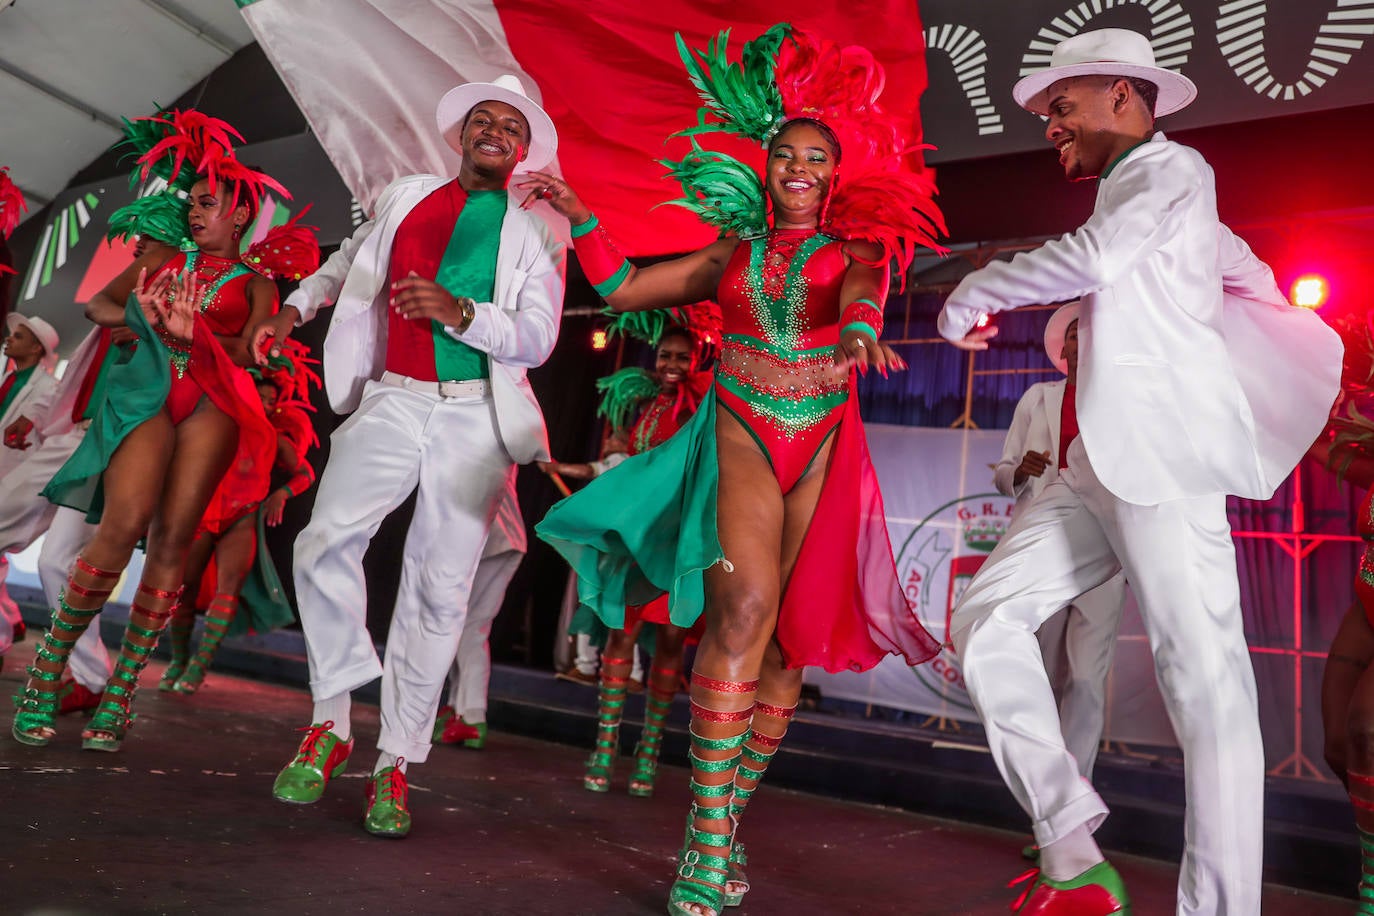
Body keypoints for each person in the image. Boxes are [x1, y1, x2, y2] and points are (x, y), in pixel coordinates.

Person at [535, 24, 943, 915]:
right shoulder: (731, 256)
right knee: (744, 610)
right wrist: (583, 218)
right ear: (766, 168)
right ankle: (705, 846)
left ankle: (727, 822)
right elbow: (626, 291)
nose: (798, 167)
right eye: (785, 155)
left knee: (789, 651)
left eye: (814, 158)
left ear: (834, 174)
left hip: (826, 438)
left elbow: (861, 296)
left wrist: (865, 329)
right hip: (744, 426)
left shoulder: (854, 250)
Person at [936, 28, 1342, 914]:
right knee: (986, 620)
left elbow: (1103, 259)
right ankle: (1073, 848)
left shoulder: (1172, 171)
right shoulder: (1153, 199)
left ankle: (1222, 906)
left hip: (1160, 461)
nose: (1048, 124)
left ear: (1123, 94)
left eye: (1061, 105)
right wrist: (1209, 302)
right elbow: (1246, 272)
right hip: (1090, 468)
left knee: (1207, 686)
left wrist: (979, 287)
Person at [250, 74, 567, 839]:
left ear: (522, 150)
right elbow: (348, 261)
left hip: (475, 422)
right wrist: (296, 307)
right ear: (461, 136)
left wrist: (463, 313)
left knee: (439, 587)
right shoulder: (406, 196)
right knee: (325, 541)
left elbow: (539, 336)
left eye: (510, 127)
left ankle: (394, 764)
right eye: (482, 121)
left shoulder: (536, 233)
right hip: (392, 396)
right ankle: (332, 721)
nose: (494, 132)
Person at [10, 107, 318, 753]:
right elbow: (96, 305)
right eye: (194, 203)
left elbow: (254, 353)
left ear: (241, 214)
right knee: (120, 526)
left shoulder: (258, 284)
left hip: (213, 407)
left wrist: (198, 333)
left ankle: (120, 694)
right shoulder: (168, 261)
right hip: (149, 396)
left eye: (209, 203)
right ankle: (44, 676)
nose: (196, 213)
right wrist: (144, 319)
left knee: (173, 540)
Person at [0, 228, 179, 707]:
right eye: (138, 235)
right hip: (76, 438)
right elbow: (91, 325)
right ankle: (75, 666)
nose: (139, 242)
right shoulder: (126, 300)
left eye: (155, 235)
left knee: (59, 560)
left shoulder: (172, 298)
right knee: (54, 559)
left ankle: (92, 678)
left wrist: (151, 328)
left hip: (109, 441)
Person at [543, 322, 713, 797]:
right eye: (665, 356)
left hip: (678, 543)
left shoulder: (705, 409)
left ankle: (649, 753)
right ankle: (605, 746)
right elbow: (626, 465)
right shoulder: (640, 404)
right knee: (622, 635)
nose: (672, 365)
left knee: (672, 646)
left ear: (698, 359)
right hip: (636, 542)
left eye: (682, 357)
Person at [992, 301, 1126, 787]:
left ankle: (1076, 807)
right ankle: (1043, 801)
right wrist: (1019, 471)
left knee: (1088, 682)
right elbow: (1003, 471)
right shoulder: (1037, 397)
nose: (1079, 340)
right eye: (1072, 333)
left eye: (1087, 333)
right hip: (1043, 549)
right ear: (1062, 347)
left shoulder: (1120, 401)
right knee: (1041, 676)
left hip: (1103, 553)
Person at [160, 340, 320, 695]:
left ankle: (199, 667)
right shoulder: (219, 420)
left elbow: (305, 474)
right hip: (205, 512)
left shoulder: (275, 438)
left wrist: (281, 493)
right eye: (260, 396)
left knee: (227, 592)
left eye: (271, 401)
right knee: (182, 590)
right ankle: (178, 659)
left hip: (242, 518)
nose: (266, 403)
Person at [432, 471, 525, 750]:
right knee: (469, 626)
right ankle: (459, 708)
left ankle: (471, 716)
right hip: (502, 535)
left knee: (467, 628)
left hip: (488, 537)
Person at [0, 312, 60, 657]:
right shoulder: (7, 379)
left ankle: (5, 629)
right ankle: (11, 619)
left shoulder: (49, 390)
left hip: (17, 485)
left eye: (19, 336)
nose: (9, 339)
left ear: (37, 348)